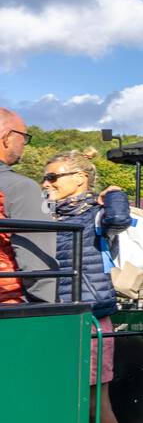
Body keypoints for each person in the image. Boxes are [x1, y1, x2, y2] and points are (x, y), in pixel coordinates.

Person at [41, 149, 132, 423]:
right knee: (65, 403)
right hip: (59, 318)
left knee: (97, 403)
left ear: (80, 178)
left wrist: (113, 192)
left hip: (93, 318)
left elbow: (120, 218)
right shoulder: (49, 216)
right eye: (46, 178)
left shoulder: (96, 215)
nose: (46, 183)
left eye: (53, 177)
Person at [0, 107, 56, 301]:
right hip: (9, 308)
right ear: (7, 137)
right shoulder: (21, 187)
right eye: (24, 136)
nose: (24, 143)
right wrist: (46, 309)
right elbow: (38, 265)